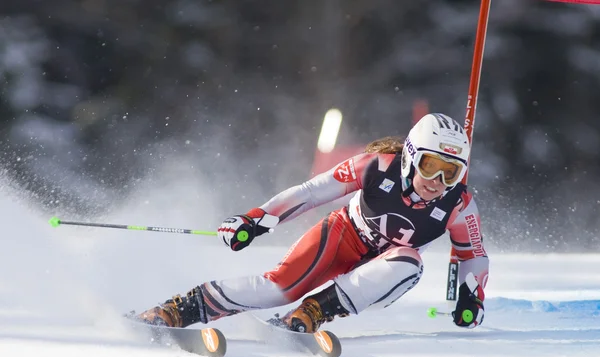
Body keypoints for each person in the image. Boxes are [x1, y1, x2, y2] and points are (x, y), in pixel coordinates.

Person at [135, 113, 489, 333]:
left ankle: (313, 312)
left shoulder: (458, 203)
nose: (437, 182)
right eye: (430, 166)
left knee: (410, 263)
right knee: (279, 288)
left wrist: (472, 297)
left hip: (382, 274)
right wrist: (257, 219)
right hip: (342, 235)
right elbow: (312, 192)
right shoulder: (376, 166)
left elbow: (473, 253)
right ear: (411, 156)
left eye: (450, 172)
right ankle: (180, 309)